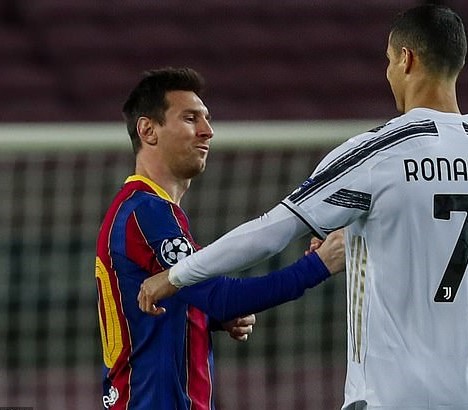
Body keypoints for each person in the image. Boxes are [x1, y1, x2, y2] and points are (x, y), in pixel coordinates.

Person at [139, 5, 468, 409]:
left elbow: (272, 230)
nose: (389, 73)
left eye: (388, 61)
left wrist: (178, 275)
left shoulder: (377, 153)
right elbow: (450, 244)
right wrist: (364, 233)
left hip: (396, 396)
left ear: (406, 59)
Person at [95, 67, 345, 409]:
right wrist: (319, 265)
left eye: (207, 119)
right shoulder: (146, 212)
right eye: (190, 118)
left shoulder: (147, 211)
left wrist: (207, 317)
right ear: (148, 130)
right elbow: (223, 297)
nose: (207, 131)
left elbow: (158, 306)